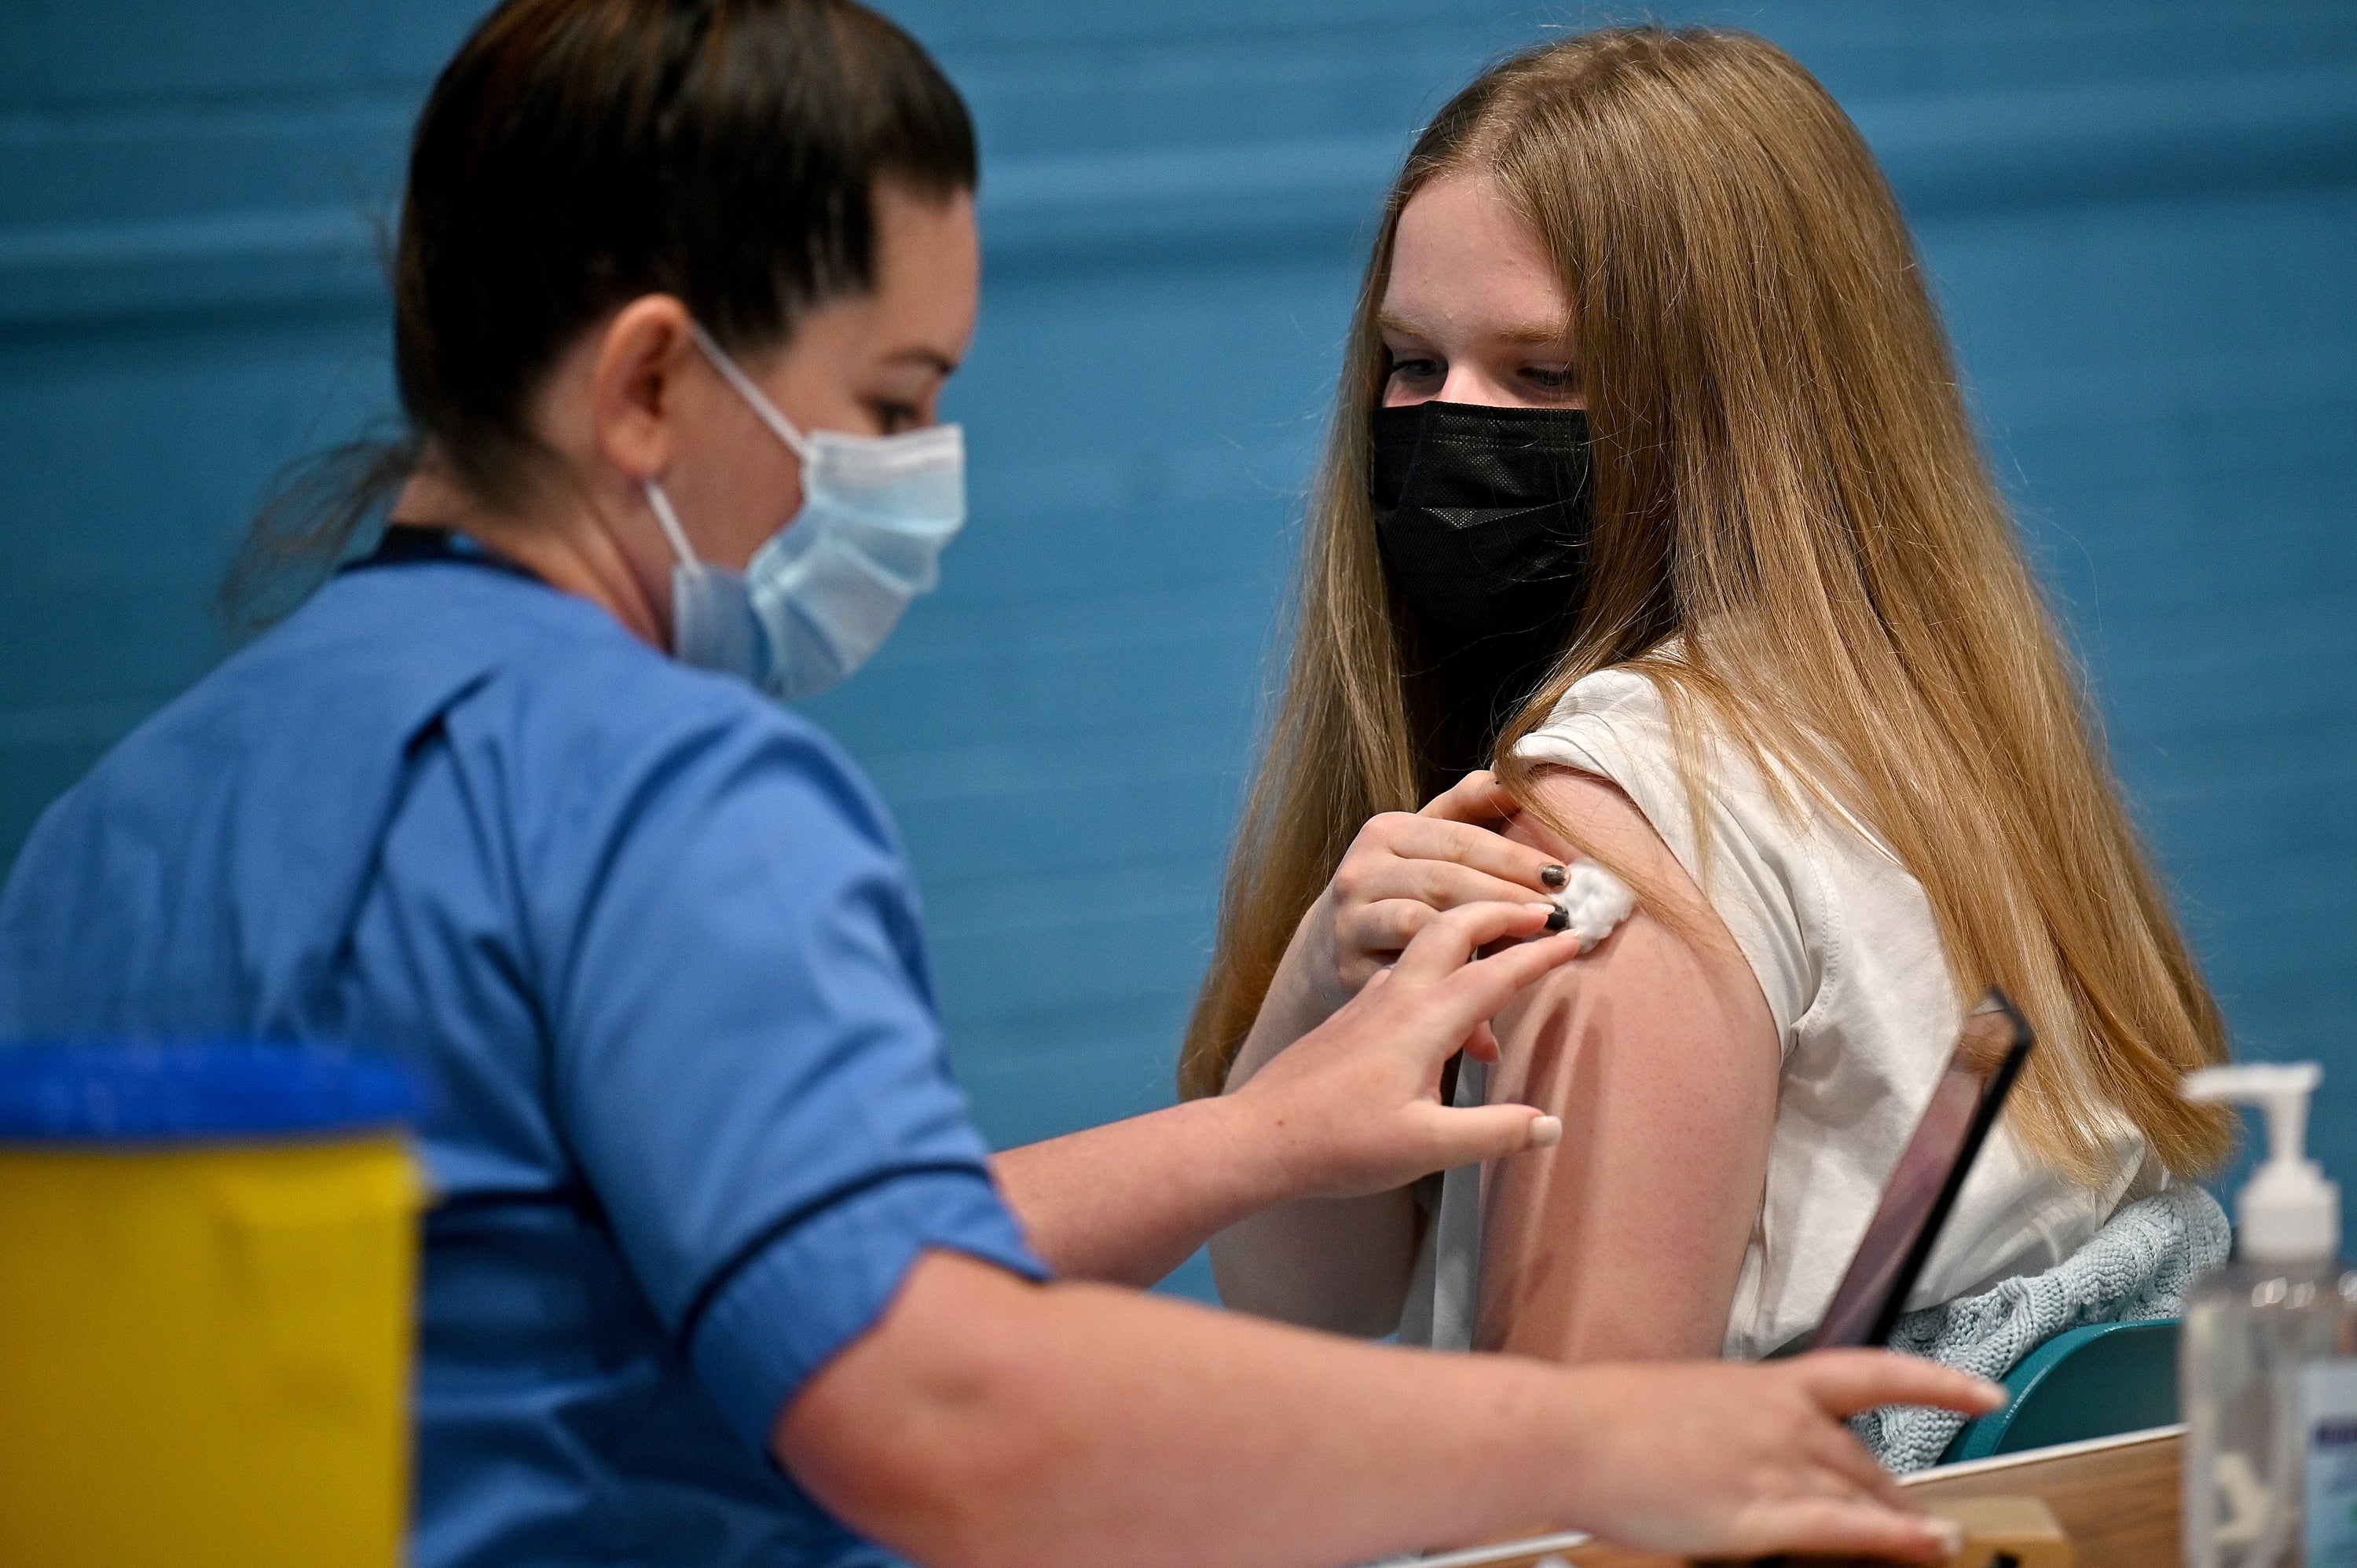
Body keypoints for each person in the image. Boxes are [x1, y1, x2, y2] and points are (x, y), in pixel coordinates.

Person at [0, 3, 2000, 1566]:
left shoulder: (115, 827)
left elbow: (692, 1264)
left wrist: (1254, 1133)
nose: (920, 477)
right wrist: (1610, 1435)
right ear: (645, 385)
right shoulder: (659, 789)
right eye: (889, 407)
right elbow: (943, 1403)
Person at [1193, 23, 2235, 1423]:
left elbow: (1569, 1494)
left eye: (1546, 376)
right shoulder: (1923, 714)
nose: (1452, 427)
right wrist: (1318, 986)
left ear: (1749, 405)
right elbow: (1309, 1297)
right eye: (1408, 363)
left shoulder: (1628, 797)